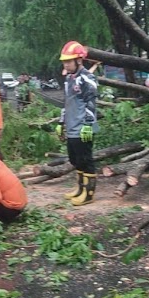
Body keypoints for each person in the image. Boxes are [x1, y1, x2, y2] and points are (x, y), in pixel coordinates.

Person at [56, 41, 99, 206]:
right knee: (76, 160)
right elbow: (67, 102)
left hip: (84, 127)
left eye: (69, 61)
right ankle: (80, 189)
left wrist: (88, 124)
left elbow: (91, 102)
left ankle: (88, 194)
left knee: (86, 159)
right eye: (64, 61)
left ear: (79, 60)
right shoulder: (69, 79)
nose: (66, 64)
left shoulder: (87, 78)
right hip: (72, 127)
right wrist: (61, 122)